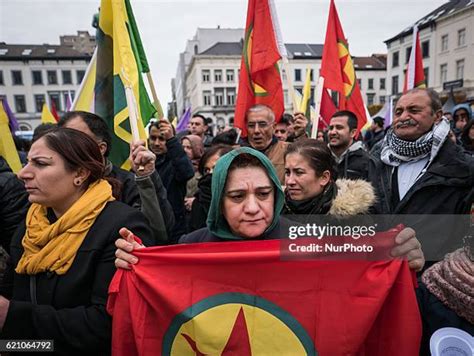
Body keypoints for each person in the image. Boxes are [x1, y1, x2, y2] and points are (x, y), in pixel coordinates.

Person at [115, 147, 425, 273]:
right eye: (237, 196)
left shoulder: (314, 240)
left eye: (263, 194)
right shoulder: (190, 248)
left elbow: (361, 281)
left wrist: (397, 258)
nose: (252, 208)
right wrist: (137, 264)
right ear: (219, 202)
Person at [0, 128, 153, 354]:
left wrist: (10, 316)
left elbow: (108, 324)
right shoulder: (30, 226)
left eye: (40, 164)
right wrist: (11, 345)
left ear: (80, 173)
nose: (23, 173)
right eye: (28, 162)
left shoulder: (121, 226)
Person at [283, 139, 425, 271]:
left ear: (324, 178)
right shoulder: (273, 212)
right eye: (287, 172)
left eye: (299, 172)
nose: (289, 181)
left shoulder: (355, 220)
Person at [370, 88, 474, 260]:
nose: (403, 117)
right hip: (381, 272)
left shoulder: (464, 168)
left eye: (414, 110)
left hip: (433, 278)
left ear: (437, 115)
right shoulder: (376, 160)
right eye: (399, 112)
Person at [59, 111, 174, 243]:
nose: (67, 147)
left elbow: (155, 234)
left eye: (76, 139)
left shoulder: (128, 183)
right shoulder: (55, 185)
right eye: (63, 140)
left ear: (101, 148)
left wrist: (146, 178)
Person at [149, 120, 195, 241]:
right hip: (150, 226)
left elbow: (187, 172)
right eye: (153, 138)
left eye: (162, 139)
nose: (157, 143)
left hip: (174, 228)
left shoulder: (174, 162)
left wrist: (171, 141)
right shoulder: (144, 163)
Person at [244, 105, 307, 183]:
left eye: (262, 125)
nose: (256, 130)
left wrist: (301, 135)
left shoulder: (288, 150)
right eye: (251, 126)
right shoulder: (236, 155)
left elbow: (307, 162)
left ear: (273, 127)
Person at [187, 144, 233, 232]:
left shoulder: (239, 201)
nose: (210, 174)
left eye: (216, 168)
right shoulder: (198, 202)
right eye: (206, 170)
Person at [328, 110, 372, 181]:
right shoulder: (321, 158)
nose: (333, 132)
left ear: (353, 133)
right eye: (331, 128)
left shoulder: (367, 162)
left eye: (339, 127)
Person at [181, 134, 204, 213]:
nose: (185, 150)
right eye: (183, 147)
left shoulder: (205, 166)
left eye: (189, 147)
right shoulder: (177, 166)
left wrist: (196, 200)